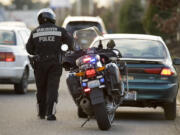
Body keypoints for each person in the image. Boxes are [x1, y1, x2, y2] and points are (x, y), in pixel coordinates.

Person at [26, 8, 73, 121]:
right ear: (52, 18)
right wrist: (64, 51)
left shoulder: (35, 31)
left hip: (39, 64)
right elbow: (70, 43)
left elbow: (29, 48)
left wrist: (37, 52)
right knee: (52, 88)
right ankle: (50, 114)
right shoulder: (60, 30)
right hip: (54, 64)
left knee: (41, 88)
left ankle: (41, 113)